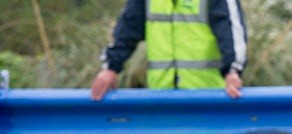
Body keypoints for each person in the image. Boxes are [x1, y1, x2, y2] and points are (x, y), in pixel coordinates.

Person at [91, 0, 247, 101]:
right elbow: (128, 29)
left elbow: (232, 31)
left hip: (208, 97)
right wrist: (111, 68)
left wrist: (232, 71)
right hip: (161, 99)